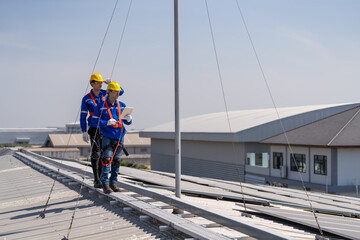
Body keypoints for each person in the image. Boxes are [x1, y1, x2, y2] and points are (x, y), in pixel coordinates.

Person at [92, 81, 132, 194]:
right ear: (109, 92)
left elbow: (126, 122)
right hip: (107, 136)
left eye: (119, 92)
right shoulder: (101, 106)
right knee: (107, 159)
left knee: (117, 161)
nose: (118, 94)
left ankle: (113, 182)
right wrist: (106, 122)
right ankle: (105, 183)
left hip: (119, 136)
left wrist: (129, 119)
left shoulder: (122, 105)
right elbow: (93, 121)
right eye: (116, 92)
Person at [80, 73, 110, 188]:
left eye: (102, 82)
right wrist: (84, 131)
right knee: (96, 153)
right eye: (98, 83)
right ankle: (97, 179)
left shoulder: (105, 94)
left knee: (105, 154)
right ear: (92, 84)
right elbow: (83, 116)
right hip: (94, 128)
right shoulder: (86, 99)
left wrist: (110, 84)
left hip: (105, 127)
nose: (100, 84)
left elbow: (120, 92)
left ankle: (103, 178)